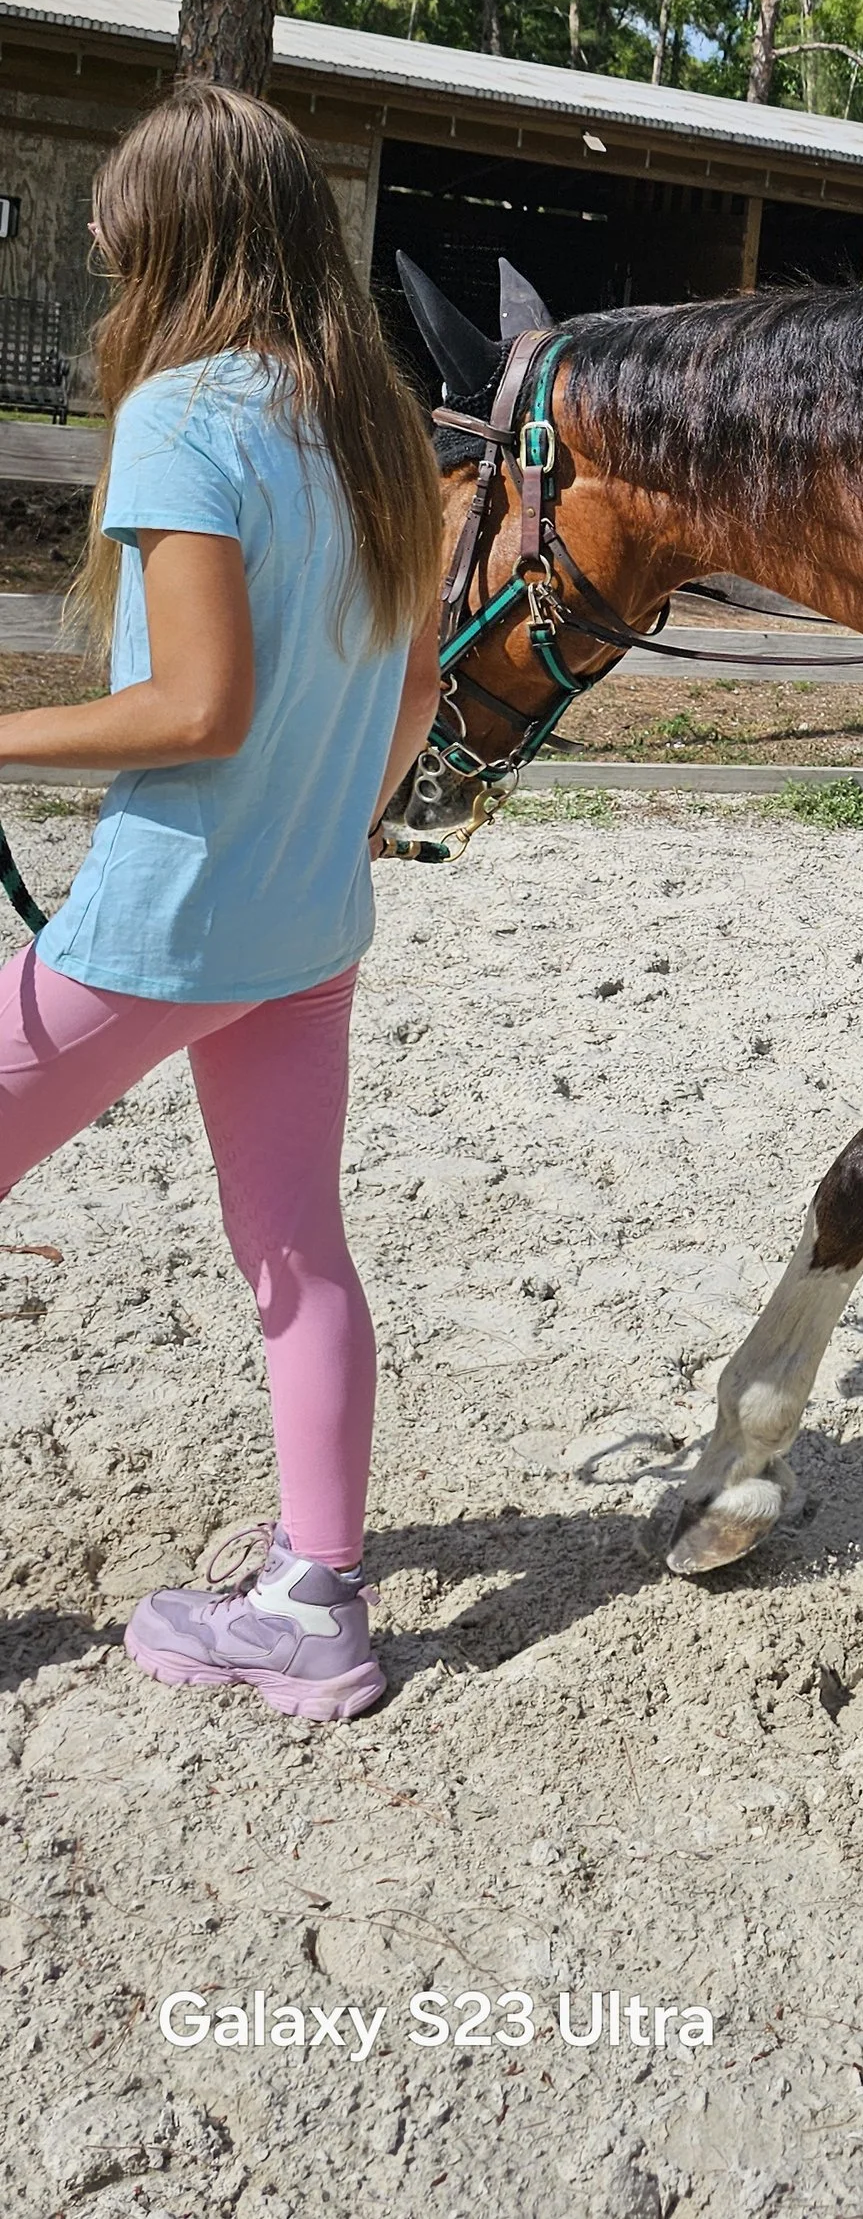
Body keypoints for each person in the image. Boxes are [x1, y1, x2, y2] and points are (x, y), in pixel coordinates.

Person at [0, 83, 443, 1718]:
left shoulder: (184, 411)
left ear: (178, 234)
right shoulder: (372, 421)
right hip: (304, 930)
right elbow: (408, 690)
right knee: (298, 1255)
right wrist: (337, 824)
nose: (104, 255)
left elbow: (198, 707)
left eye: (118, 231)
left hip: (166, 924)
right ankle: (316, 1602)